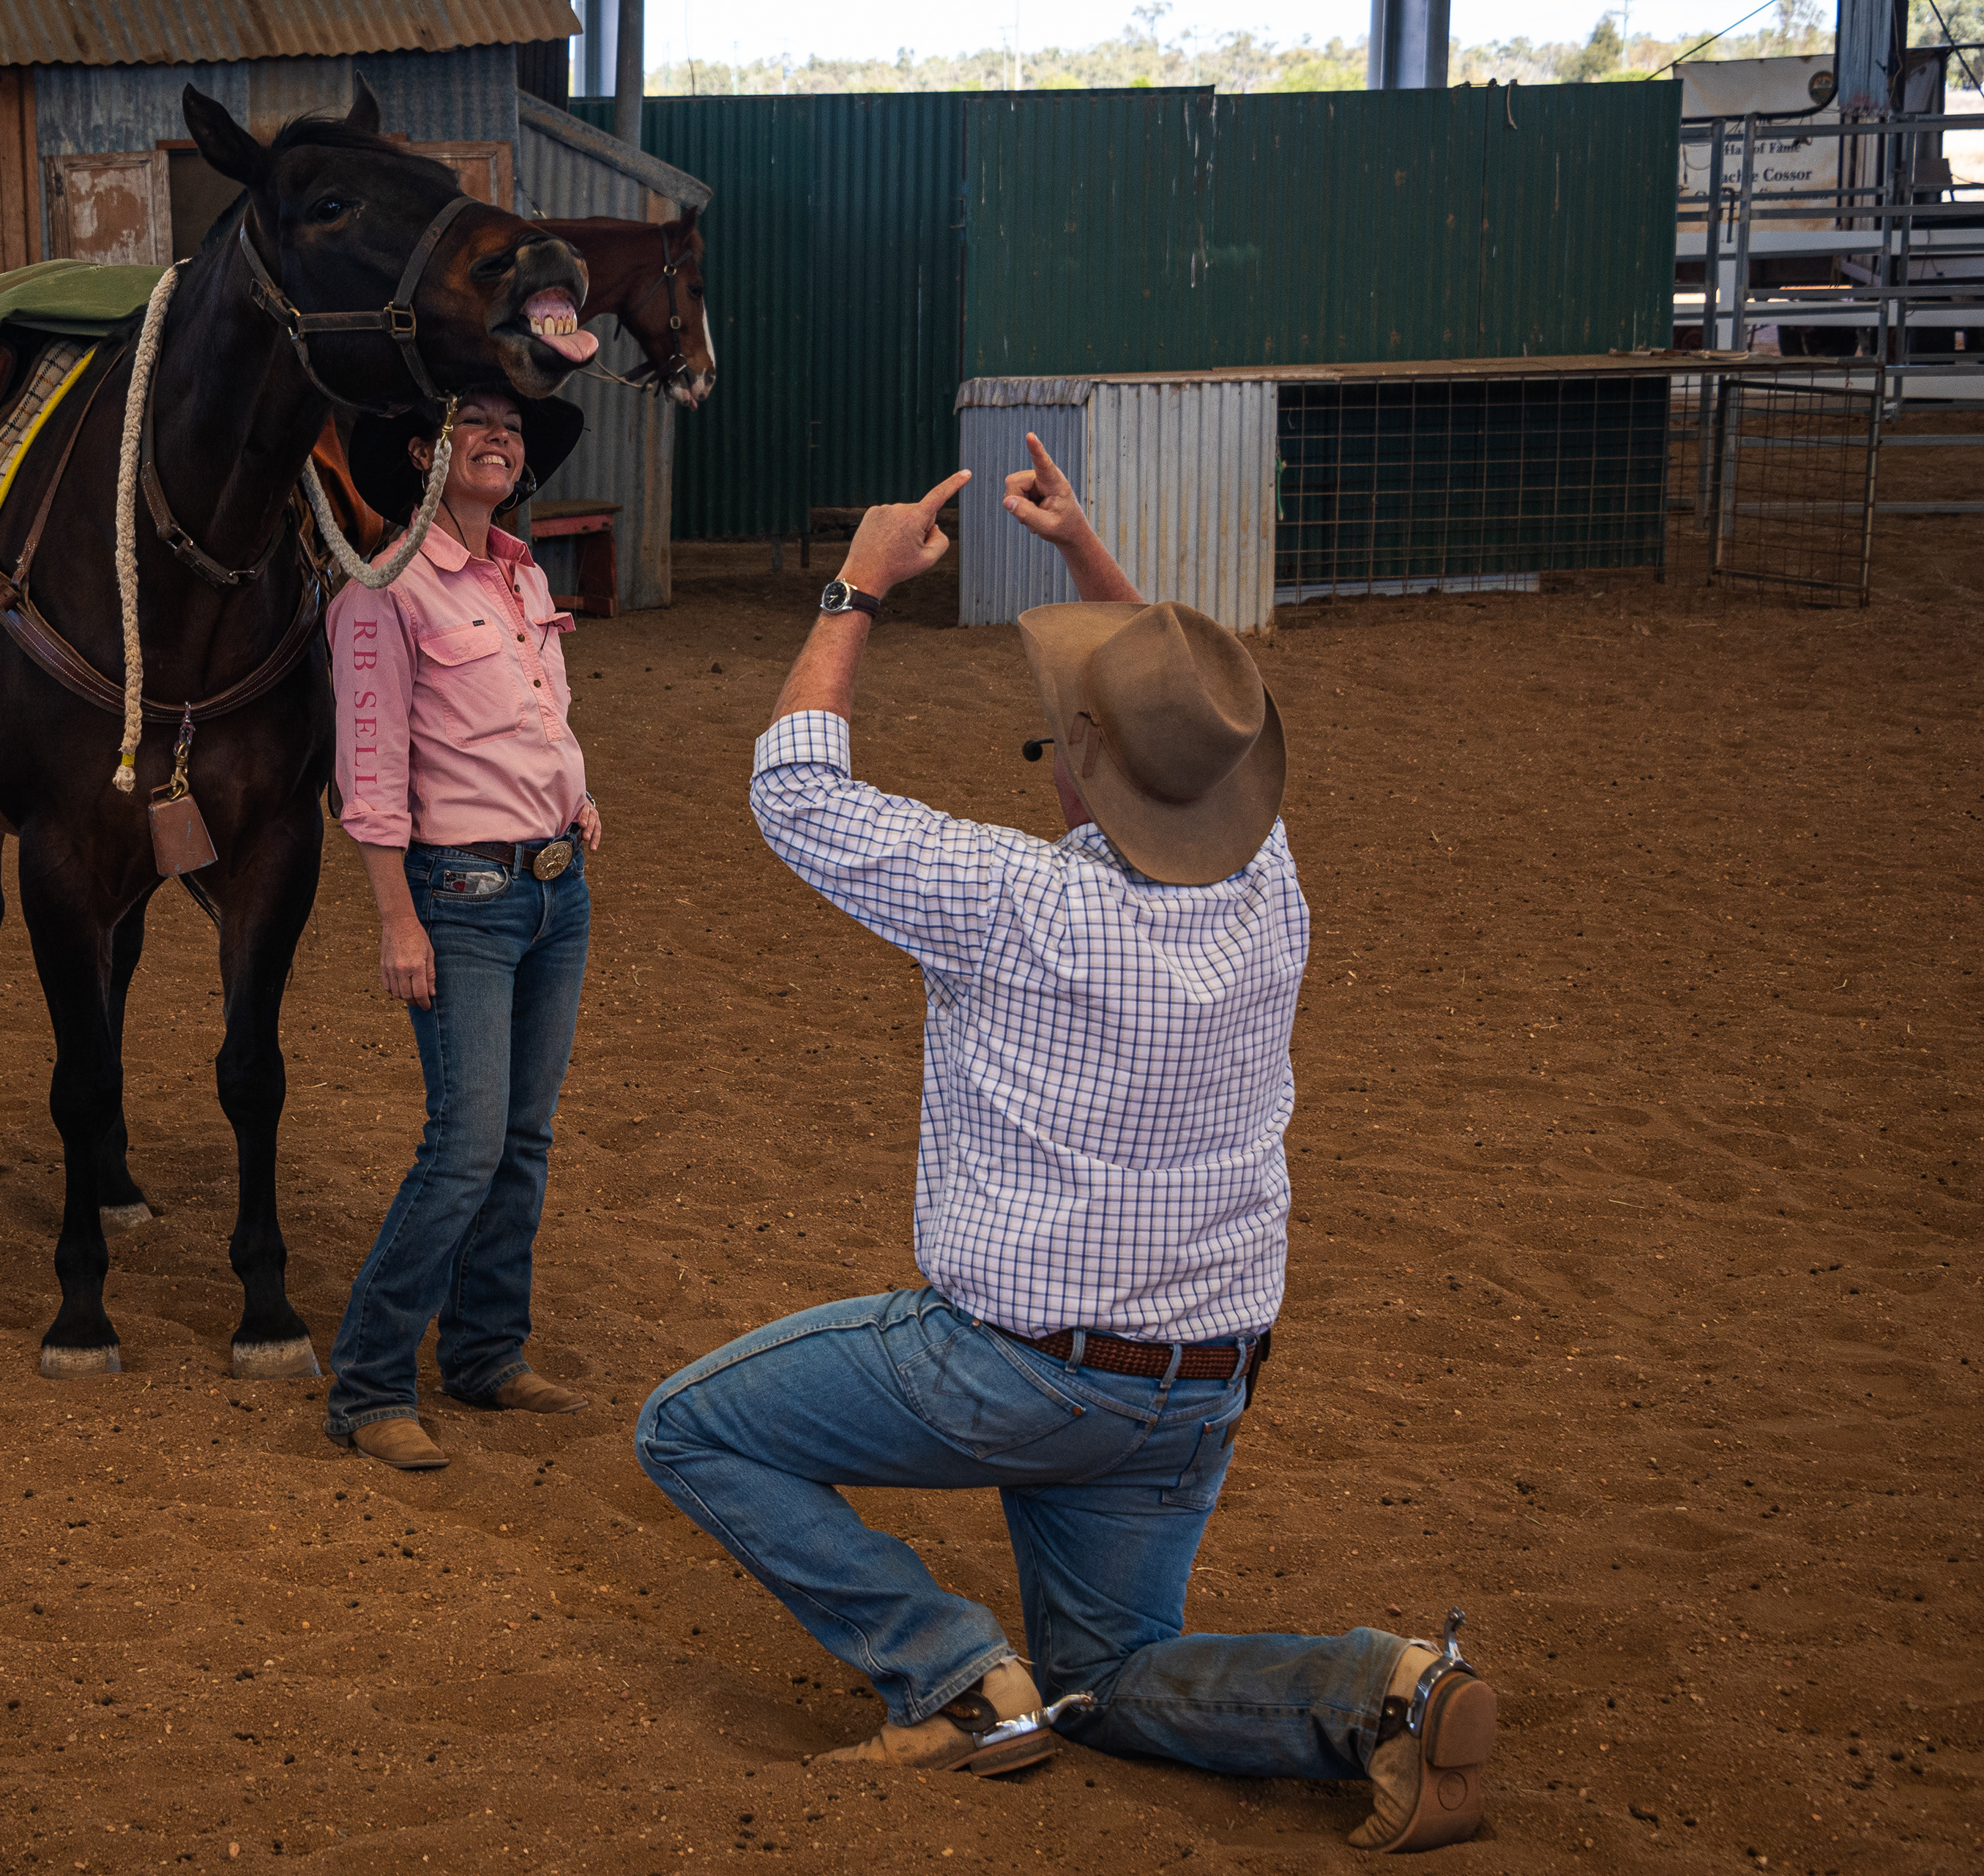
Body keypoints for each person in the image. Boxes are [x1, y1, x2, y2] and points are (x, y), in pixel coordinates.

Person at [633, 434, 1496, 1852]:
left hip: (1018, 1370)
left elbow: (796, 790)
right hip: (1202, 1369)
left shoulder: (1012, 899)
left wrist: (855, 591)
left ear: (1080, 765)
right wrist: (1092, 559)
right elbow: (1192, 715)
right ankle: (1384, 1694)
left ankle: (951, 1677)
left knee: (691, 1426)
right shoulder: (1270, 883)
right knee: (1107, 1674)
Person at [321, 389, 605, 1472]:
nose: (499, 439)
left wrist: (575, 796)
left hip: (556, 887)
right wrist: (398, 920)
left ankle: (486, 1353)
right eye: (471, 421)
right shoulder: (382, 593)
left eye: (512, 428)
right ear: (420, 451)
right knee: (467, 1145)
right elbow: (370, 771)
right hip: (461, 899)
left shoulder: (522, 575)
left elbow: (536, 712)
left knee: (522, 1140)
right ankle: (370, 1384)